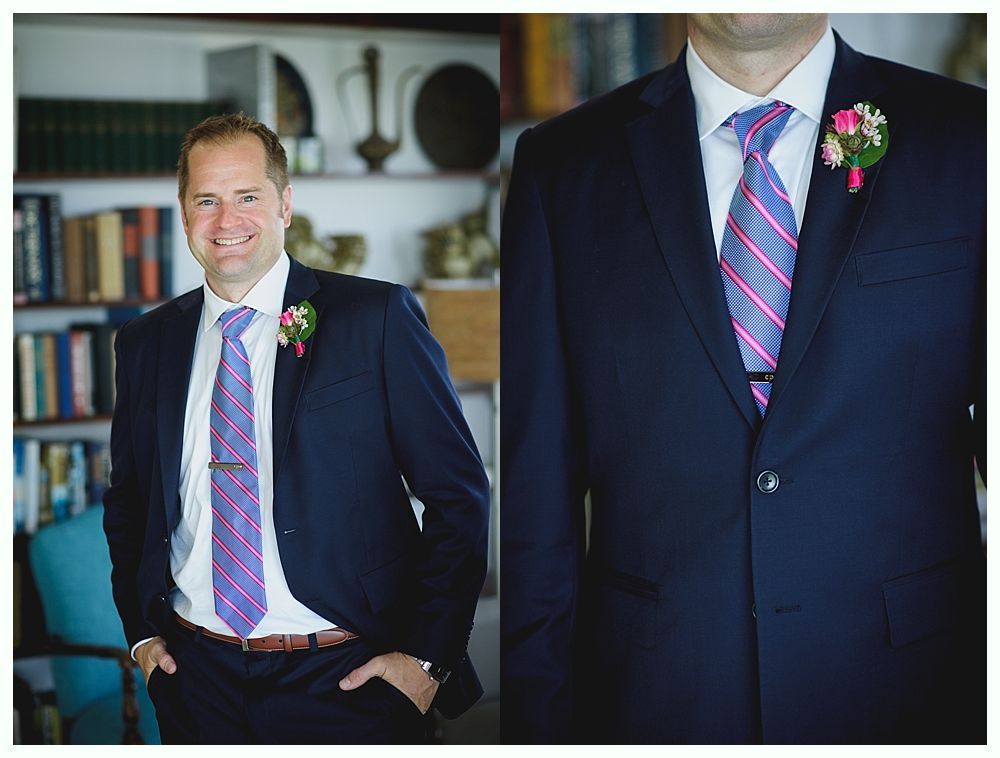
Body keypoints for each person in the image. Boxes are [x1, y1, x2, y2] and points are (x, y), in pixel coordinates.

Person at [500, 13, 984, 744]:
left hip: (916, 681)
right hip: (655, 689)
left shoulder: (976, 137)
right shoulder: (559, 164)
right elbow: (537, 478)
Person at [103, 112, 490, 744]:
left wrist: (425, 660)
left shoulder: (376, 317)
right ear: (183, 213)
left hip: (349, 675)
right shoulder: (145, 343)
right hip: (196, 678)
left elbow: (460, 497)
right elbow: (129, 503)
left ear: (285, 203)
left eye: (247, 196)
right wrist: (143, 638)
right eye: (207, 200)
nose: (226, 222)